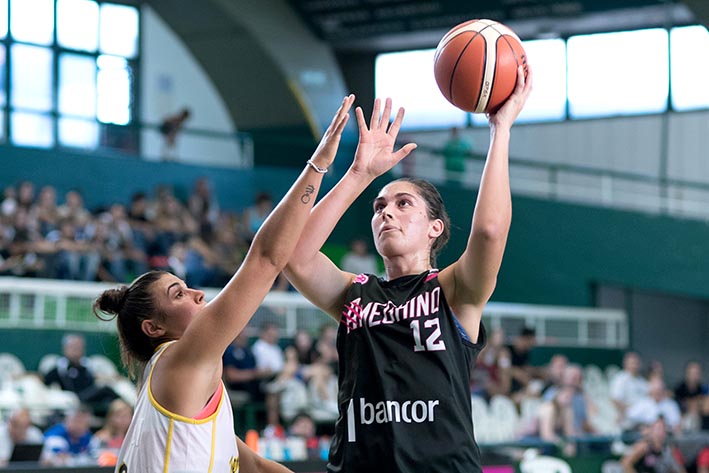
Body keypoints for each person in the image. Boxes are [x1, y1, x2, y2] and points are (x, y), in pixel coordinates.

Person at [283, 67, 532, 473]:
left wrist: (499, 129)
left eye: (403, 204)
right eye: (379, 207)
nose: (386, 213)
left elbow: (488, 231)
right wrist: (359, 174)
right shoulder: (355, 293)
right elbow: (293, 255)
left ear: (435, 228)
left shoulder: (453, 289)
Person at [91, 95, 355, 473]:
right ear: (155, 328)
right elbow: (265, 258)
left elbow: (256, 466)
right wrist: (320, 165)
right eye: (178, 293)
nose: (197, 293)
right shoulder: (179, 361)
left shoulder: (187, 392)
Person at [43, 333, 120, 415]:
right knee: (105, 389)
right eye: (73, 347)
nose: (76, 350)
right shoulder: (60, 368)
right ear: (65, 348)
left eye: (79, 347)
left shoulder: (88, 366)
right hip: (73, 400)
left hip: (91, 401)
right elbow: (44, 381)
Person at [620, 417, 687, 473]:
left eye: (663, 428)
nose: (660, 431)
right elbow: (625, 463)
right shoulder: (644, 446)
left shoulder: (667, 449)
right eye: (658, 428)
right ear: (651, 431)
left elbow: (677, 468)